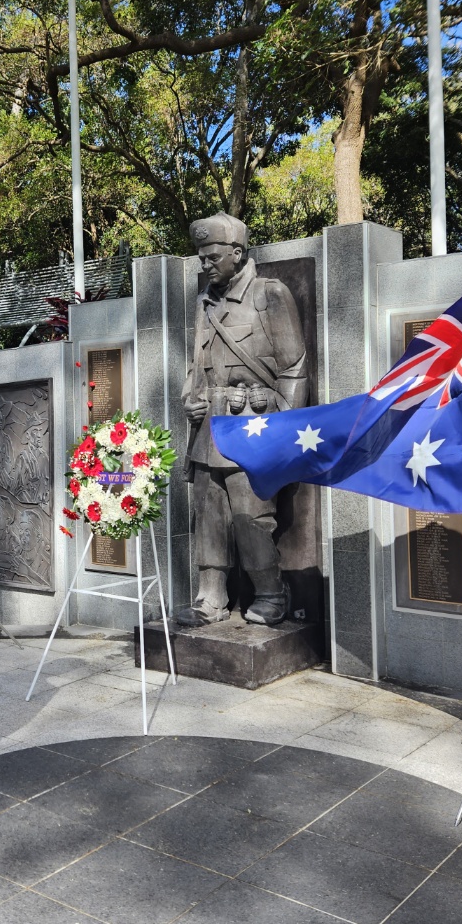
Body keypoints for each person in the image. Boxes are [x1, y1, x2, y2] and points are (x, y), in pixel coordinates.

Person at [177, 212, 307, 627]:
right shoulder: (205, 303)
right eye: (201, 257)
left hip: (254, 424)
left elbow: (295, 367)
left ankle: (271, 591)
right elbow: (195, 366)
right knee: (209, 512)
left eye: (213, 255)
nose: (205, 264)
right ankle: (210, 595)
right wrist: (189, 398)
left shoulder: (270, 294)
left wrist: (282, 433)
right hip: (209, 427)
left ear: (237, 252)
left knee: (249, 515)